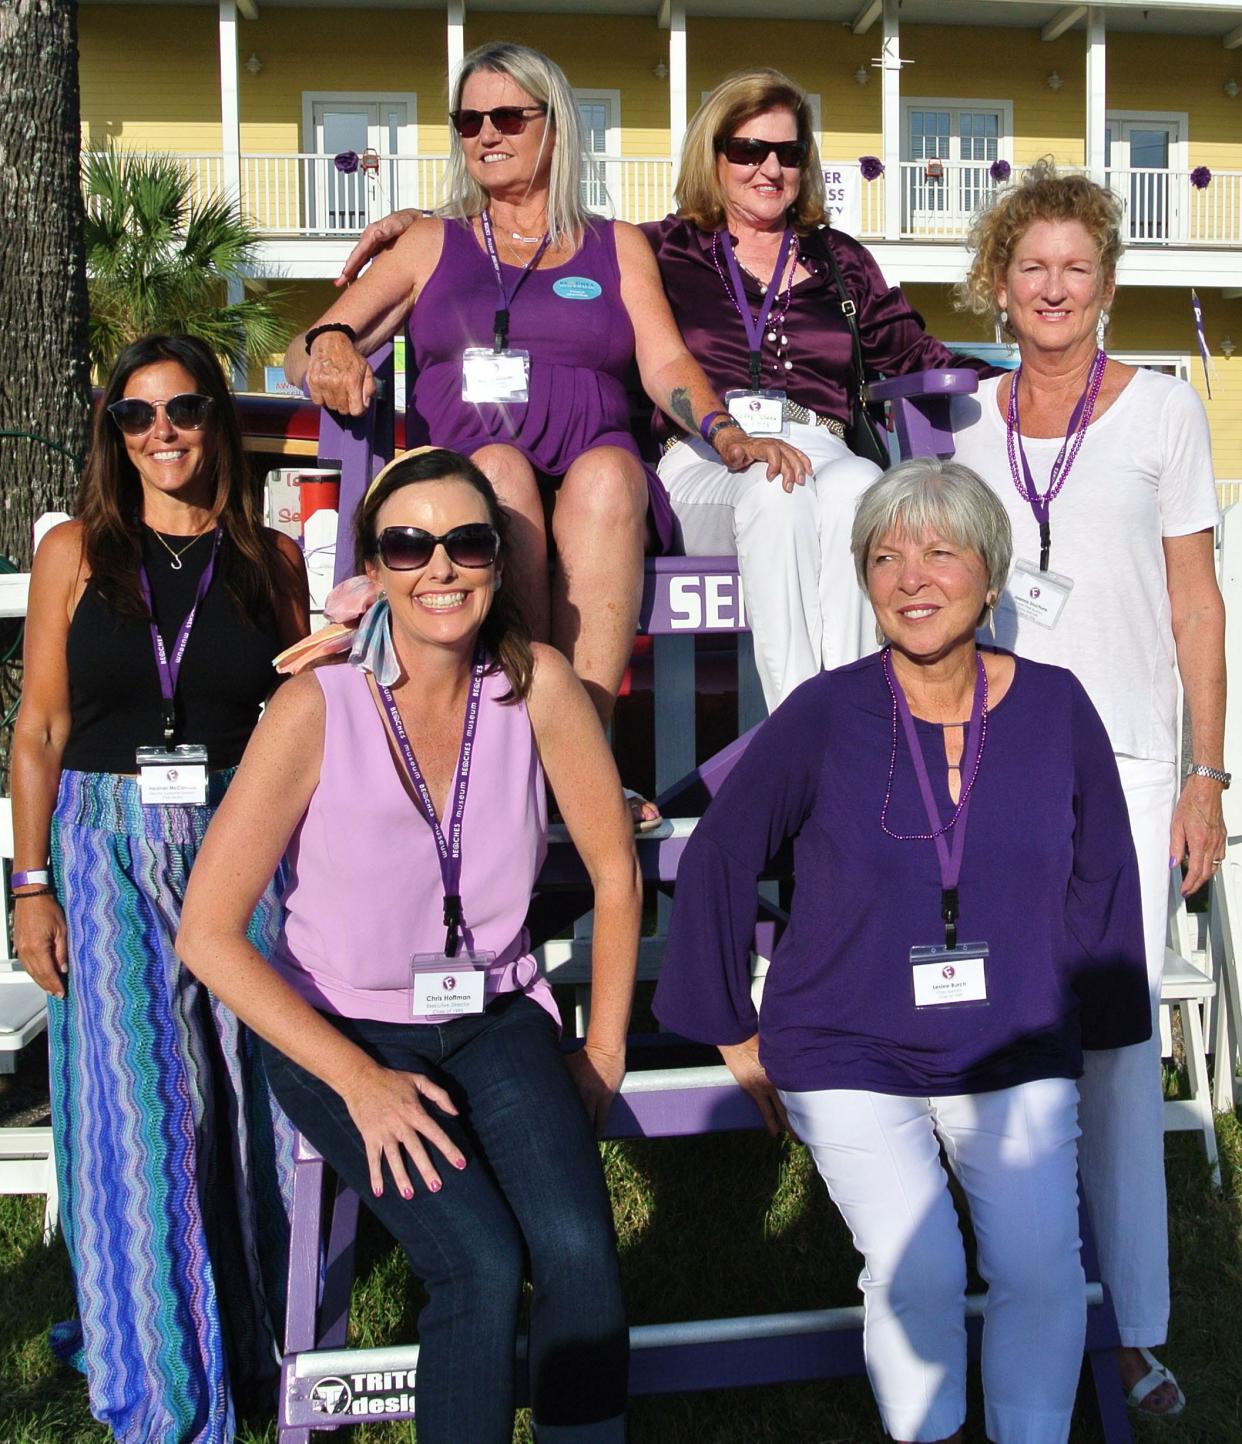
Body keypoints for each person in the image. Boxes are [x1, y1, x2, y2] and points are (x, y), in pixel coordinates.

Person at [654, 459, 1150, 1444]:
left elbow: (1104, 868)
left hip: (1013, 1041)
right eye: (885, 557)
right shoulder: (824, 712)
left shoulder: (1057, 708)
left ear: (992, 577)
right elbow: (717, 851)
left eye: (940, 552)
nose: (911, 576)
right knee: (915, 1264)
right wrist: (729, 1028)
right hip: (847, 1042)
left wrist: (1099, 1025)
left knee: (1043, 1265)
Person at [176, 447, 640, 1444]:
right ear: (377, 568)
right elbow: (208, 932)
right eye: (408, 543)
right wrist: (357, 1079)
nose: (441, 567)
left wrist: (603, 1050)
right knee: (476, 1262)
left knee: (577, 1253)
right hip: (346, 1027)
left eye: (467, 542)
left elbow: (615, 868)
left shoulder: (538, 686)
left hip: (495, 1015)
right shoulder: (319, 705)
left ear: (497, 562)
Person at [282, 42, 806, 747]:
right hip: (473, 476)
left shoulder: (615, 244)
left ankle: (580, 750)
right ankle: (514, 743)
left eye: (506, 116)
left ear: (554, 125)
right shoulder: (432, 241)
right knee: (497, 470)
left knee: (612, 476)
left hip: (596, 466)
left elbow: (665, 362)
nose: (486, 134)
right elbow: (301, 348)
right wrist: (332, 346)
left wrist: (722, 432)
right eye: (468, 122)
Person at [948, 159, 1225, 1417]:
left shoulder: (1164, 410)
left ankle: (1139, 1328)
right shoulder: (961, 426)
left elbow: (1193, 602)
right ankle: (1031, 1294)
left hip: (1128, 760)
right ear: (1000, 287)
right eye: (1033, 266)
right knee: (1009, 1042)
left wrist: (1207, 773)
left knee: (1117, 1055)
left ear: (1107, 286)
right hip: (995, 764)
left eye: (1078, 267)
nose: (1055, 288)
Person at [11, 333, 310, 1443]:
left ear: (214, 420)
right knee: (143, 1112)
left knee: (258, 1099)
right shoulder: (74, 554)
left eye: (182, 410)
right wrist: (30, 881)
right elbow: (39, 728)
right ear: (114, 436)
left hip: (243, 828)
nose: (162, 434)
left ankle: (268, 1344)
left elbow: (305, 713)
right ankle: (165, 1401)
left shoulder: (272, 561)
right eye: (136, 418)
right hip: (102, 840)